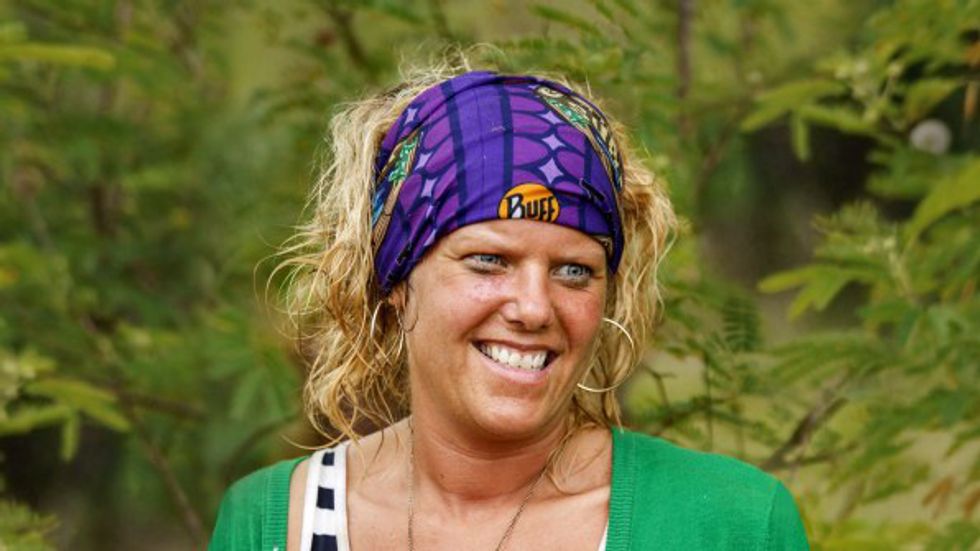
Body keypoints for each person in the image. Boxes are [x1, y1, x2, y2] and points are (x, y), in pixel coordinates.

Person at [209, 65, 809, 550]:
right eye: (488, 260)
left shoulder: (731, 525)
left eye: (573, 270)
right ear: (396, 278)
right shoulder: (273, 524)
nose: (534, 307)